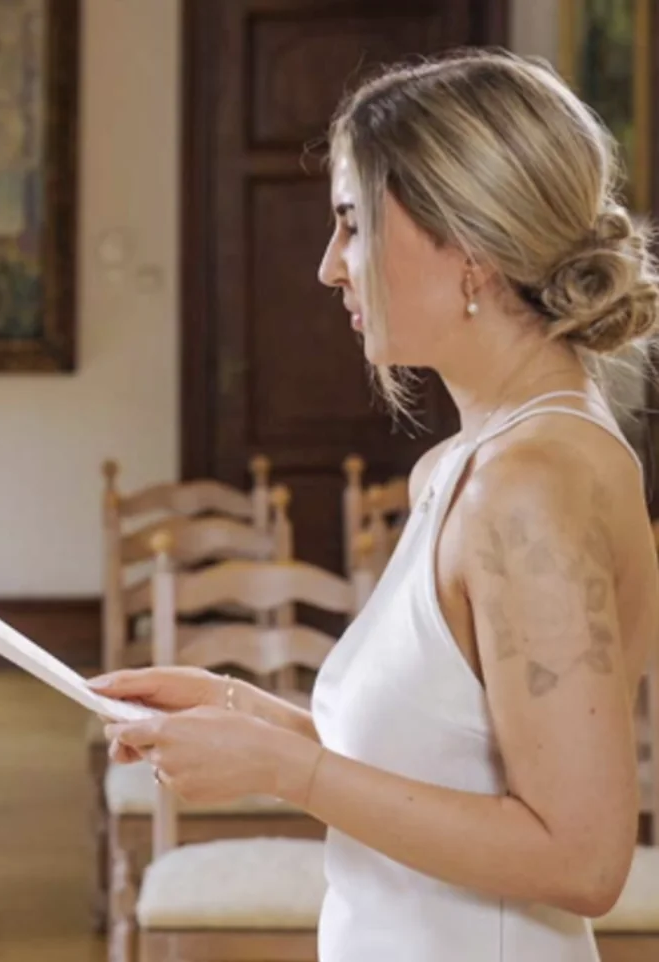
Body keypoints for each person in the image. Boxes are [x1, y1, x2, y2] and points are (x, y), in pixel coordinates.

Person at [91, 48, 659, 961]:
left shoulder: (531, 486)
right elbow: (441, 758)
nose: (329, 267)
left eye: (352, 225)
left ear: (468, 248)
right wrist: (241, 712)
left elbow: (583, 857)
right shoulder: (464, 465)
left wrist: (290, 769)